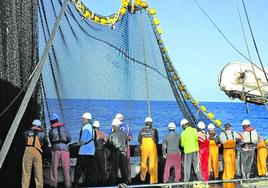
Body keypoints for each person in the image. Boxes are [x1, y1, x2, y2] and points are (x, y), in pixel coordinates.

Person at [21, 119, 48, 188]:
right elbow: (45, 145)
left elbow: (22, 142)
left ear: (32, 125)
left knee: (26, 172)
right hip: (37, 152)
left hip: (28, 151)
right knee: (38, 172)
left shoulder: (26, 132)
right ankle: (39, 186)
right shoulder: (42, 134)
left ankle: (25, 186)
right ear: (39, 126)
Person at [49, 113, 72, 188]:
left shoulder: (51, 130)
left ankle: (54, 185)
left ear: (52, 122)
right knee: (66, 168)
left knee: (54, 168)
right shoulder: (65, 128)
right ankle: (68, 185)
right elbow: (69, 138)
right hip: (65, 149)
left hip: (55, 149)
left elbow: (51, 140)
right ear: (58, 120)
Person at [74, 112, 95, 187]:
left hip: (84, 152)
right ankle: (88, 184)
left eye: (82, 119)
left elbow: (82, 141)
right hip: (91, 151)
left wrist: (76, 144)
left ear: (86, 120)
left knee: (78, 169)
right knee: (89, 170)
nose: (81, 121)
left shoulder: (85, 127)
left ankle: (75, 184)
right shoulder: (92, 128)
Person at [106, 118, 129, 185]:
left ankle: (112, 183)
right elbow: (126, 143)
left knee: (114, 169)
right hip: (123, 153)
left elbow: (108, 145)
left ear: (114, 126)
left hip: (115, 152)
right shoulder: (124, 134)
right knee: (123, 168)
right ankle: (125, 182)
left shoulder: (112, 135)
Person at [138, 117, 159, 184]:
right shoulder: (154, 130)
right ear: (151, 123)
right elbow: (156, 140)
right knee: (153, 164)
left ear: (145, 123)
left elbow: (139, 140)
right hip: (152, 148)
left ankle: (142, 178)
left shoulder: (141, 130)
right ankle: (153, 181)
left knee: (143, 163)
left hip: (144, 148)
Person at [116, 113, 133, 183]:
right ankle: (129, 179)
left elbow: (110, 137)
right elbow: (131, 137)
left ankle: (116, 179)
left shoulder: (114, 126)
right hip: (126, 146)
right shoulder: (127, 126)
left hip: (117, 147)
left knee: (115, 163)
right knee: (127, 163)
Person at [92, 120, 107, 185]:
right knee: (102, 167)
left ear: (93, 126)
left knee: (95, 167)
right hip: (101, 151)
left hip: (93, 152)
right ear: (98, 127)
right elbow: (107, 141)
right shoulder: (101, 133)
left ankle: (95, 182)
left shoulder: (91, 133)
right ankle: (104, 182)